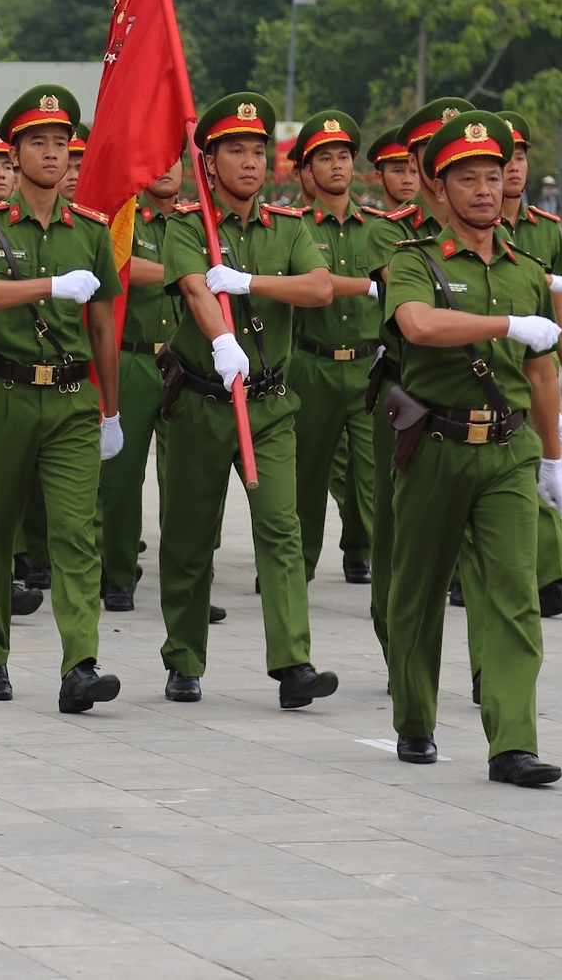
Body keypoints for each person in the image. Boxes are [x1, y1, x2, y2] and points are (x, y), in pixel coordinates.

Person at [380, 110, 562, 787]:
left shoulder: (528, 269)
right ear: (437, 186)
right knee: (419, 591)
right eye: (468, 177)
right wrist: (504, 323)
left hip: (508, 451)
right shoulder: (413, 260)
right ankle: (414, 717)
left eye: (494, 175)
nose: (486, 189)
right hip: (434, 445)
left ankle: (512, 740)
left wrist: (552, 459)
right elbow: (418, 324)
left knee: (514, 594)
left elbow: (540, 371)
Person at [155, 93, 339, 708]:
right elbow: (193, 288)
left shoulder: (287, 227)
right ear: (208, 162)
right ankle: (183, 657)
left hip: (267, 406)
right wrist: (223, 339)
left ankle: (293, 664)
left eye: (258, 151)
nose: (250, 162)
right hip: (203, 403)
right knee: (187, 536)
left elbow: (316, 288)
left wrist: (250, 283)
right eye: (235, 151)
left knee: (282, 530)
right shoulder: (186, 224)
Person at [0, 85, 122, 710]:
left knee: (76, 533)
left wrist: (112, 409)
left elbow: (103, 325)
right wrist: (45, 284)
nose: (52, 153)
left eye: (60, 143)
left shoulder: (92, 231)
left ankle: (81, 663)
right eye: (37, 143)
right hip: (6, 395)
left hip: (73, 398)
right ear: (13, 154)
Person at [495, 109, 562, 621]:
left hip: (535, 367)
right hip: (485, 365)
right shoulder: (467, 225)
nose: (513, 170)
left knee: (544, 466)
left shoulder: (544, 229)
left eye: (519, 159)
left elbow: (560, 307)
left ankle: (554, 579)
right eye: (503, 160)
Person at [285, 110, 377, 585]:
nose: (336, 166)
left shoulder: (379, 227)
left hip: (367, 366)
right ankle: (294, 569)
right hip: (310, 364)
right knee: (306, 474)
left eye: (343, 156)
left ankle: (378, 564)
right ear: (307, 169)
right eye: (325, 158)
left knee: (374, 474)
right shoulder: (294, 226)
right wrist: (364, 285)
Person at [91, 157, 184, 613]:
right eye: (160, 161)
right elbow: (122, 268)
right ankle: (120, 574)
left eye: (176, 161)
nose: (168, 170)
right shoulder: (126, 219)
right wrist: (187, 273)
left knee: (186, 481)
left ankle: (187, 583)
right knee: (123, 477)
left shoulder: (194, 220)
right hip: (132, 360)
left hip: (184, 366)